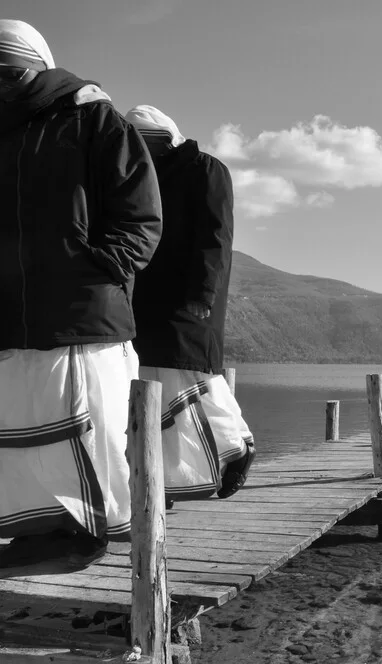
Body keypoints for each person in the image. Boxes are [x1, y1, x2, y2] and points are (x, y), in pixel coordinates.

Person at [0, 20, 162, 573]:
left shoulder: (91, 117)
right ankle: (42, 529)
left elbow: (139, 212)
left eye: (9, 71)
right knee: (24, 422)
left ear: (37, 65)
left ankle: (91, 529)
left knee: (87, 420)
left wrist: (96, 272)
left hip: (81, 311)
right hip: (12, 315)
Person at [125, 105, 255, 505]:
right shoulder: (141, 172)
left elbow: (216, 236)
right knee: (152, 383)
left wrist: (203, 294)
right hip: (146, 296)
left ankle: (235, 451)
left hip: (190, 298)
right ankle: (163, 479)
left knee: (193, 379)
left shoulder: (207, 169)